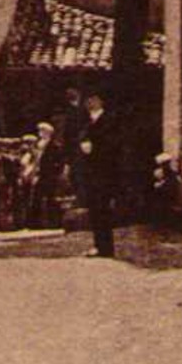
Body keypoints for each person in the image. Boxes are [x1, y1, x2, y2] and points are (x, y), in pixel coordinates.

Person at [79, 93, 120, 258]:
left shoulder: (108, 121)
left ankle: (106, 247)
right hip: (93, 172)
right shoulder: (89, 122)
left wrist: (92, 147)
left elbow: (110, 146)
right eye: (87, 100)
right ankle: (99, 245)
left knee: (102, 209)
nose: (89, 103)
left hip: (104, 172)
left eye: (92, 100)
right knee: (96, 209)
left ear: (99, 101)